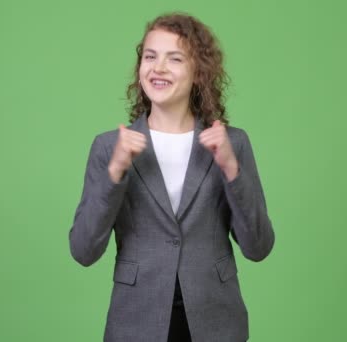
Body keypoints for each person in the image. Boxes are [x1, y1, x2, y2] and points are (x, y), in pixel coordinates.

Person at [69, 13, 275, 342]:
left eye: (174, 58)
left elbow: (259, 246)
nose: (158, 67)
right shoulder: (109, 147)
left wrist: (232, 170)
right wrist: (115, 172)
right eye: (150, 56)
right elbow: (83, 250)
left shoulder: (232, 143)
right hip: (136, 321)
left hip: (216, 321)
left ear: (198, 73)